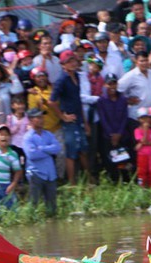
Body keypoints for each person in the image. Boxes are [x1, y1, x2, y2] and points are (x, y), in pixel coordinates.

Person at [50, 50, 90, 185]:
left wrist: (85, 122)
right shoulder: (61, 80)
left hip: (79, 118)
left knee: (84, 149)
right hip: (70, 121)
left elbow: (78, 100)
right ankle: (72, 183)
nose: (72, 64)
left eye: (73, 60)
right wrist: (63, 116)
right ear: (63, 65)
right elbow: (52, 101)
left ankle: (89, 179)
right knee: (71, 151)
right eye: (69, 62)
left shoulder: (77, 76)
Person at [22, 108, 61, 215]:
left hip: (50, 174)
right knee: (33, 204)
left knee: (52, 207)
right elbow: (32, 155)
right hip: (36, 174)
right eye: (38, 117)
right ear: (30, 120)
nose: (42, 119)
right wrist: (48, 150)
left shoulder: (48, 134)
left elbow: (57, 148)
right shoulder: (27, 137)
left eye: (41, 117)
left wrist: (41, 148)